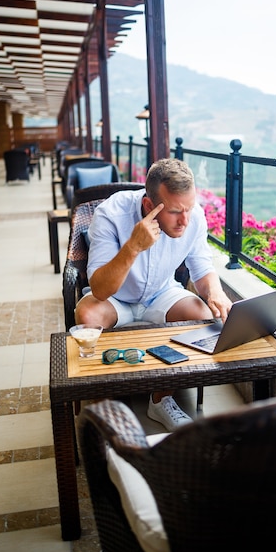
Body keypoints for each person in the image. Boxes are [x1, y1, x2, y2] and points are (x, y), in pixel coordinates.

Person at [75, 157, 233, 431]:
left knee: (201, 313)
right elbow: (100, 289)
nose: (185, 220)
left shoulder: (192, 217)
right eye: (175, 212)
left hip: (161, 291)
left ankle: (162, 399)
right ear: (149, 205)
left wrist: (215, 292)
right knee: (87, 315)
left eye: (189, 209)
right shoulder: (111, 213)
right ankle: (104, 406)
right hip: (115, 298)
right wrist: (133, 246)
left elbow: (201, 265)